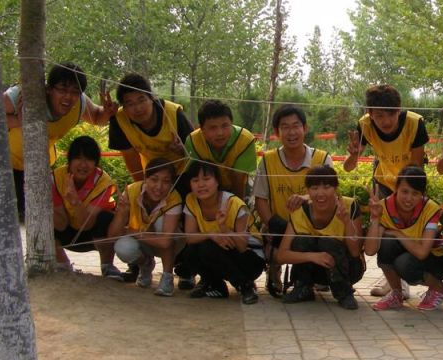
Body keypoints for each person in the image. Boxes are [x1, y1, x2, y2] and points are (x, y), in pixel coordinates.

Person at [343, 84, 427, 299]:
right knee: (382, 231)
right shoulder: (365, 125)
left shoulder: (415, 123)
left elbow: (417, 168)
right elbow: (349, 167)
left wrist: (405, 197)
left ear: (399, 110)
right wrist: (353, 155)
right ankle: (391, 280)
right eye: (379, 116)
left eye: (391, 114)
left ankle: (403, 281)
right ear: (370, 114)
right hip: (383, 181)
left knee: (407, 230)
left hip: (409, 186)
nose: (386, 121)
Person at [5, 62, 116, 215]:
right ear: (49, 89)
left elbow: (97, 117)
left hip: (38, 166)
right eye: (62, 89)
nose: (68, 96)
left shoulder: (80, 103)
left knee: (35, 215)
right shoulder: (25, 95)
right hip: (4, 163)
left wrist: (107, 112)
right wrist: (20, 121)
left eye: (75, 91)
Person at [252, 105, 332, 296]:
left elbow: (333, 197)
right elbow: (260, 199)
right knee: (267, 242)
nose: (291, 132)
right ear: (276, 132)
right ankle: (274, 269)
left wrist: (306, 197)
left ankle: (312, 277)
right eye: (285, 127)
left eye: (296, 126)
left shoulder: (322, 159)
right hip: (279, 226)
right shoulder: (268, 161)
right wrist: (272, 223)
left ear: (305, 128)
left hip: (314, 228)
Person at [276, 165, 364, 310]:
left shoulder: (349, 206)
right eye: (314, 188)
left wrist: (347, 222)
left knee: (328, 242)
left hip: (347, 269)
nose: (320, 193)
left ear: (336, 189)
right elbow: (281, 255)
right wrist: (313, 256)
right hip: (316, 268)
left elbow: (355, 252)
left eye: (327, 187)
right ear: (308, 191)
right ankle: (303, 287)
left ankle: (344, 292)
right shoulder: (300, 211)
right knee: (301, 241)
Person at [175, 161, 264, 305]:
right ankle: (216, 285)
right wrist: (212, 234)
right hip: (220, 252)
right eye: (195, 180)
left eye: (206, 179)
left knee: (207, 248)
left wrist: (224, 228)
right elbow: (190, 237)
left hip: (249, 259)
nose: (201, 185)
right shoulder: (191, 200)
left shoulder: (234, 204)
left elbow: (242, 247)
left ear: (217, 181)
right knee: (191, 252)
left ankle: (245, 286)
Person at [366, 166, 443, 311]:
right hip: (410, 254)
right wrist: (375, 218)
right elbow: (370, 250)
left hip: (436, 261)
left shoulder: (431, 209)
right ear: (396, 189)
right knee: (386, 244)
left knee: (404, 263)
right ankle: (396, 294)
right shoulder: (382, 207)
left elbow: (422, 253)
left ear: (423, 194)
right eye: (404, 191)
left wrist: (398, 234)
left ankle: (439, 287)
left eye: (415, 193)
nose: (409, 198)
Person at [108, 158, 184, 296]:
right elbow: (112, 236)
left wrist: (133, 232)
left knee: (161, 222)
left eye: (166, 181)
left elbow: (165, 241)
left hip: (171, 243)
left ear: (172, 184)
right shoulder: (131, 191)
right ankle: (146, 264)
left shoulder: (174, 197)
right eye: (154, 179)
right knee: (123, 247)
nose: (159, 187)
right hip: (145, 241)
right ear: (145, 178)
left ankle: (167, 276)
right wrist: (122, 213)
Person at [108, 73, 193, 188]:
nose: (138, 108)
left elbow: (195, 151)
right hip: (153, 176)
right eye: (130, 104)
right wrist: (143, 188)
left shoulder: (173, 113)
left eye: (141, 100)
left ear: (152, 98)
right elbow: (132, 161)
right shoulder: (119, 120)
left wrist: (183, 150)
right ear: (123, 107)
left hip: (184, 173)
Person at [52, 136, 118, 277]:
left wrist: (75, 202)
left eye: (89, 159)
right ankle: (63, 265)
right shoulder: (56, 177)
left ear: (96, 163)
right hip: (66, 231)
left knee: (105, 218)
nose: (83, 164)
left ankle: (107, 265)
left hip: (91, 234)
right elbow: (61, 225)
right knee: (45, 220)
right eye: (78, 158)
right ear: (70, 160)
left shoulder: (103, 182)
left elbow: (86, 224)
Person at [185, 100, 257, 199]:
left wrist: (237, 206)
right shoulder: (193, 141)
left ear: (231, 123)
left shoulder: (245, 140)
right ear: (202, 129)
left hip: (237, 187)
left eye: (225, 126)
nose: (220, 133)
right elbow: (196, 177)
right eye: (213, 128)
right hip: (206, 187)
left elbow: (238, 180)